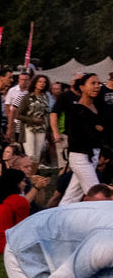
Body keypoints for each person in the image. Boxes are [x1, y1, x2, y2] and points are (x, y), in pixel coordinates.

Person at [61, 73, 105, 206]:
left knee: (72, 196)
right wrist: (99, 130)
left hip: (92, 155)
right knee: (97, 195)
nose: (97, 86)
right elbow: (90, 134)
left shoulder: (97, 106)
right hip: (80, 156)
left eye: (98, 83)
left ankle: (60, 215)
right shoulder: (77, 110)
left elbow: (102, 130)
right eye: (92, 83)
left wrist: (100, 129)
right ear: (82, 87)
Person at [19, 74, 54, 166]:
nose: (42, 84)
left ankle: (33, 174)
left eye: (44, 82)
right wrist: (32, 120)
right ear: (35, 83)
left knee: (37, 156)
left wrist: (49, 129)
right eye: (40, 82)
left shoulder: (46, 97)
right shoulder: (27, 97)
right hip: (28, 128)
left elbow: (47, 113)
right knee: (30, 155)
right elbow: (18, 115)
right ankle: (27, 172)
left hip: (41, 128)